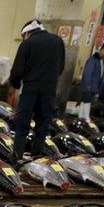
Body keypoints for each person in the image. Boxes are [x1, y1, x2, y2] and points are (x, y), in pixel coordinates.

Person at [9, 19, 64, 160]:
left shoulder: (28, 43)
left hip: (30, 89)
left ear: (27, 33)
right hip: (49, 90)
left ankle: (17, 156)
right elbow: (61, 67)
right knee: (43, 124)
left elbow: (17, 71)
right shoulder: (58, 41)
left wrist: (15, 84)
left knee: (23, 124)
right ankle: (37, 156)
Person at [79, 46, 104, 120]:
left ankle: (81, 116)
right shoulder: (92, 60)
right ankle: (86, 117)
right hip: (89, 85)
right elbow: (87, 73)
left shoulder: (103, 61)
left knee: (85, 100)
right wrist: (88, 84)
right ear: (102, 50)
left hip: (95, 85)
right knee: (87, 100)